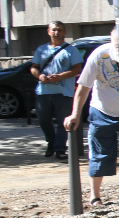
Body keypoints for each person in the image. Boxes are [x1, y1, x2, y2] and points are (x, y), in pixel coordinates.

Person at [64, 31, 119, 209]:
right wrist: (75, 114)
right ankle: (95, 196)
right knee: (99, 154)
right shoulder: (99, 55)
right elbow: (83, 87)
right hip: (102, 110)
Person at [30, 20, 83, 161]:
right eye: (54, 30)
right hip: (43, 91)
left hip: (64, 92)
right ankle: (51, 142)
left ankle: (60, 149)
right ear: (49, 32)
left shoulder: (71, 50)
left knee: (62, 122)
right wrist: (40, 76)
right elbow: (34, 67)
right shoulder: (41, 49)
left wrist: (60, 76)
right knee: (43, 120)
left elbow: (77, 69)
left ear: (64, 32)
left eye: (60, 30)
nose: (57, 32)